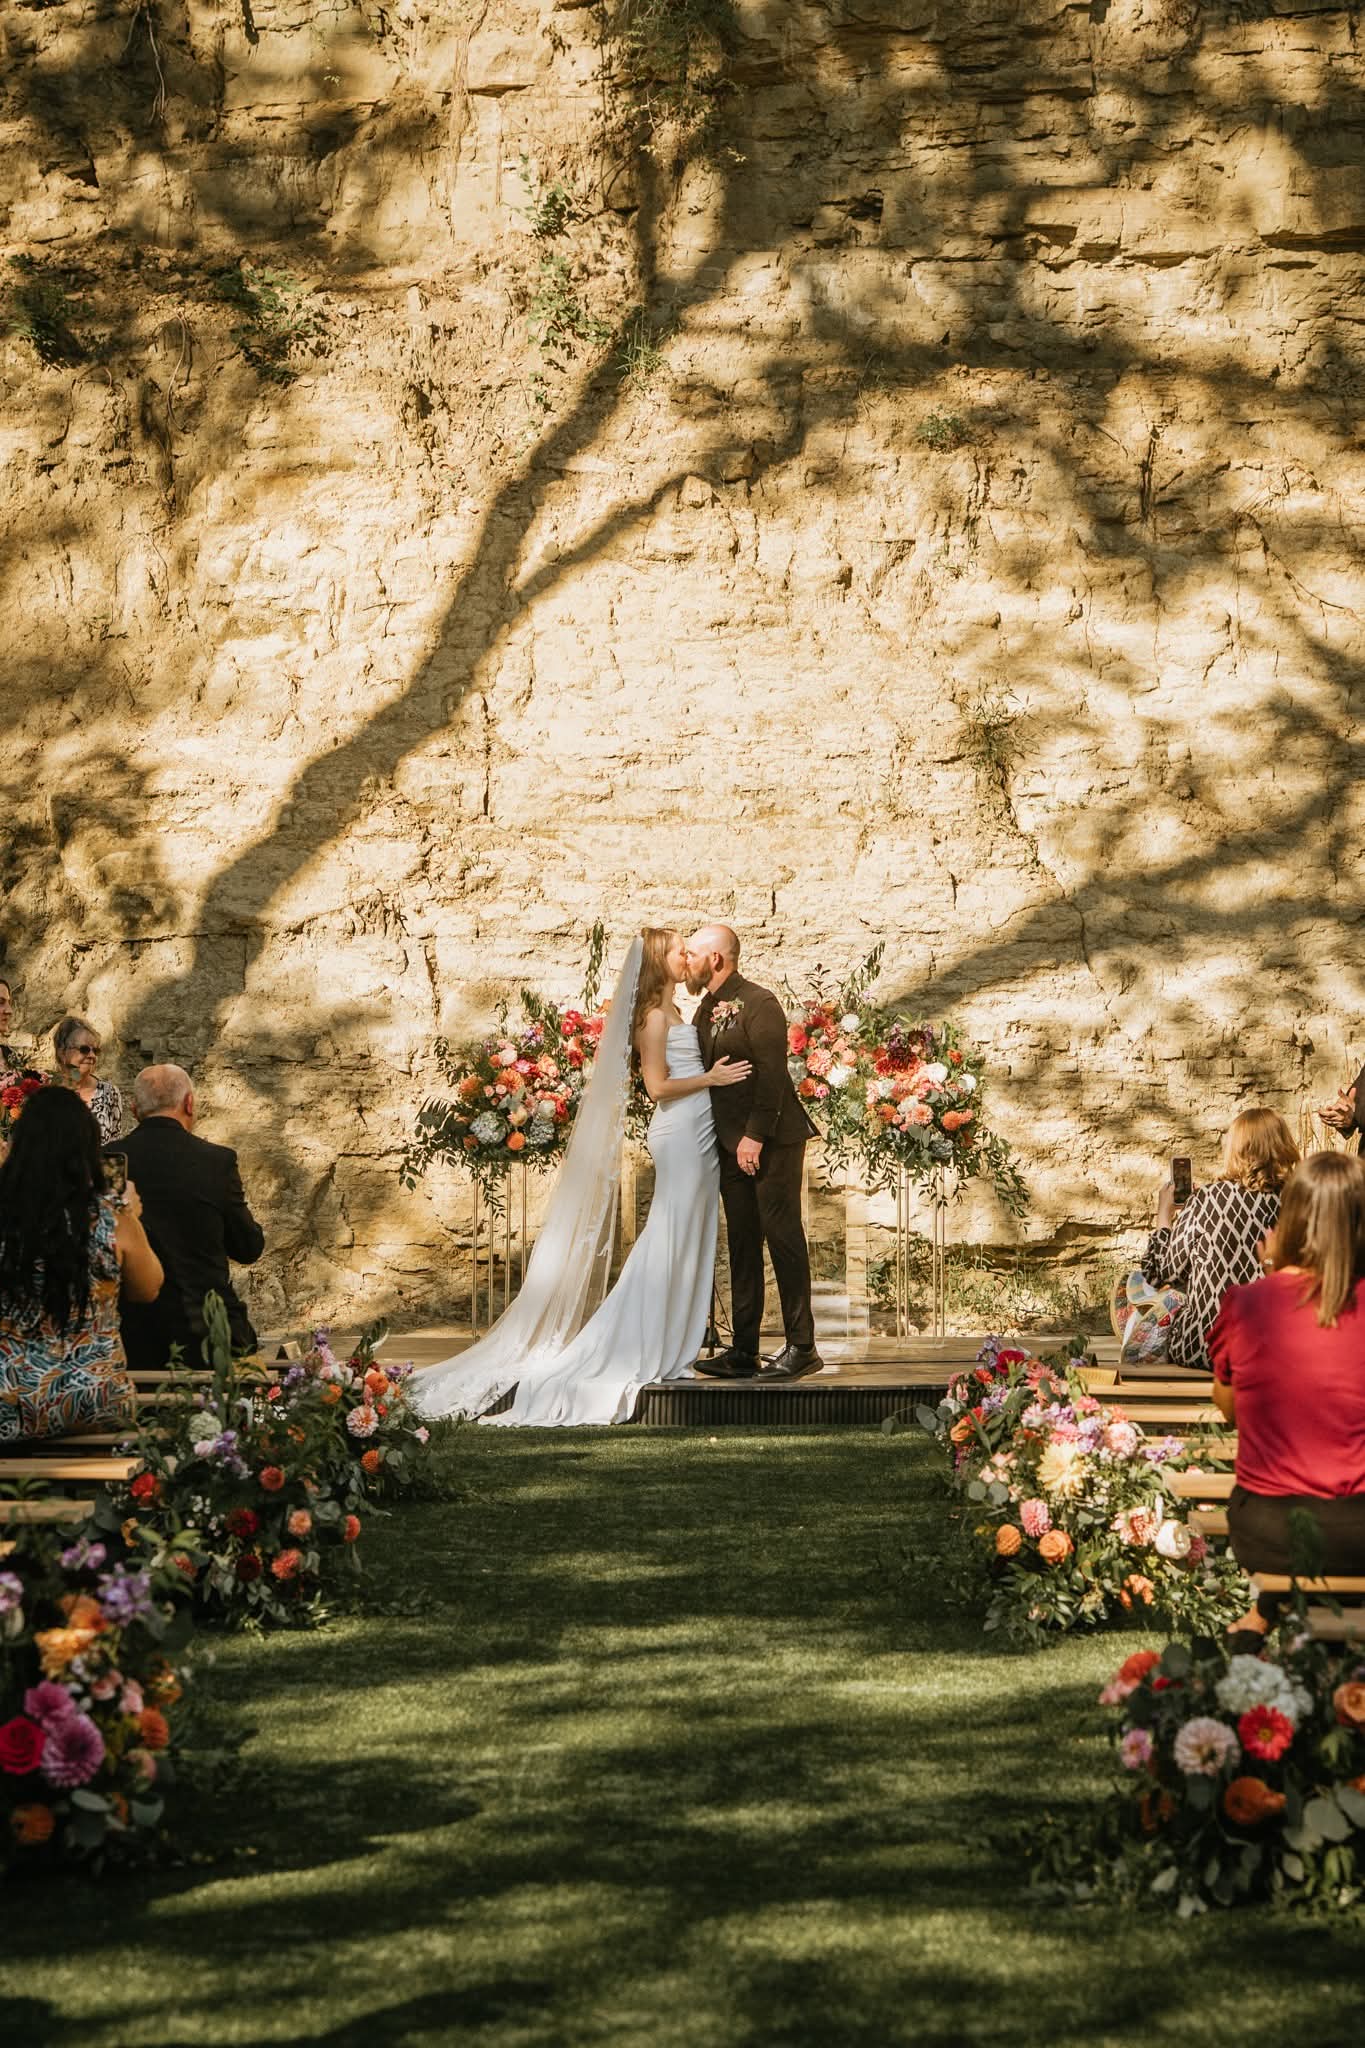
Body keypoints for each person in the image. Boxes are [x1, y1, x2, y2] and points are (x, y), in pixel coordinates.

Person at [415, 929, 752, 1427]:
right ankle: (638, 1340)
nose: (687, 956)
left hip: (699, 1131)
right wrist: (711, 1078)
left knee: (691, 1236)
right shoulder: (653, 1018)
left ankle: (675, 1340)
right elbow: (657, 1087)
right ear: (659, 961)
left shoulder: (678, 1011)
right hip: (681, 1132)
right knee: (669, 1233)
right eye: (680, 950)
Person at [1209, 1150, 1365, 1642]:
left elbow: (1231, 1411)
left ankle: (1264, 1614)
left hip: (1269, 1534)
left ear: (1290, 1219)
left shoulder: (1248, 1303)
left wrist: (1274, 1272)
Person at [687, 923, 822, 1380]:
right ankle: (744, 1349)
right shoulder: (705, 1009)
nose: (687, 962)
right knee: (743, 1242)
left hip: (773, 1141)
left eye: (693, 954)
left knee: (783, 1237)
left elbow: (771, 1075)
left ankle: (802, 1346)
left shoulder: (760, 1003)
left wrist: (755, 1136)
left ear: (716, 959)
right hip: (729, 1145)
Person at [0, 1086, 161, 1443]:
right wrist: (130, 1216)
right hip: (93, 1400)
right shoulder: (110, 1216)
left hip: (9, 1403)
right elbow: (148, 1288)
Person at [1110, 1108, 1299, 1372]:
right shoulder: (1301, 1201)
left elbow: (1159, 1274)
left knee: (1142, 1289)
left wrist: (1164, 1216)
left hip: (1205, 1347)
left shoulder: (1207, 1198)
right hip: (1277, 1349)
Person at [112, 1064, 266, 1369]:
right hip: (210, 1334)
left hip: (136, 1339)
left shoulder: (111, 1159)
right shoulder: (217, 1161)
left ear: (134, 1109)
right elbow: (248, 1248)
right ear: (189, 1103)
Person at [53, 1014, 123, 1143]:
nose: (92, 1056)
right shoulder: (48, 1094)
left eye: (95, 1051)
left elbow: (115, 1143)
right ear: (62, 1052)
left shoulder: (109, 1093)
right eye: (84, 1049)